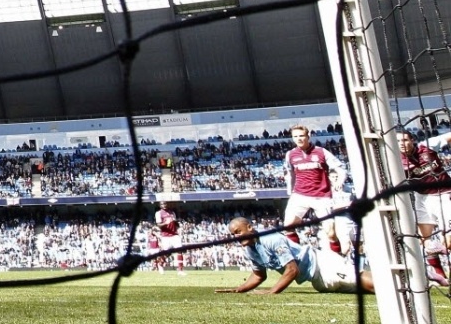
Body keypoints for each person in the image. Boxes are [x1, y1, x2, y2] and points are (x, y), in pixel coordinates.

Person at [215, 217, 374, 294]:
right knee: (361, 289)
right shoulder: (250, 250)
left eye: (238, 232)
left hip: (323, 264)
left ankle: (394, 288)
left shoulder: (271, 239)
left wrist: (271, 292)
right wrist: (239, 289)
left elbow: (292, 270)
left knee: (360, 279)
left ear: (249, 227)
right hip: (317, 281)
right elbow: (258, 275)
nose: (236, 236)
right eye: (233, 234)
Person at [397, 129, 451, 286]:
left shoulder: (428, 146)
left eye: (405, 140)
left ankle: (439, 254)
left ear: (412, 140)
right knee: (425, 239)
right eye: (399, 141)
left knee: (447, 241)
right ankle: (440, 276)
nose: (402, 144)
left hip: (445, 194)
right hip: (422, 198)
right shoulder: (395, 161)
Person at [282, 125, 346, 248]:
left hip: (321, 196)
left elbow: (339, 167)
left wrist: (339, 181)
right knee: (288, 226)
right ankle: (297, 257)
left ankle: (339, 253)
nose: (298, 139)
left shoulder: (321, 152)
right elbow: (290, 173)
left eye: (301, 136)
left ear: (308, 136)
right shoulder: (290, 154)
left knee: (330, 233)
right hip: (300, 194)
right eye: (295, 136)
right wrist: (290, 191)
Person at [154, 201, 185, 276]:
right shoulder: (158, 213)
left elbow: (176, 223)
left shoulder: (172, 213)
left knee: (179, 251)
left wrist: (177, 223)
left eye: (165, 204)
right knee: (167, 253)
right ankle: (160, 264)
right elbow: (158, 225)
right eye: (162, 204)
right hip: (165, 236)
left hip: (174, 235)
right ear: (160, 205)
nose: (164, 205)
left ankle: (180, 270)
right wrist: (165, 223)